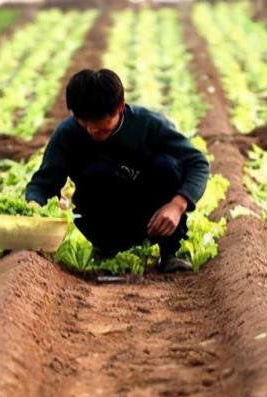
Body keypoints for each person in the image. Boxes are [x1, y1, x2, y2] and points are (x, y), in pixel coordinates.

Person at [25, 68, 211, 273]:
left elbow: (198, 164)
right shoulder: (68, 134)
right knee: (96, 172)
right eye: (84, 123)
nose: (92, 131)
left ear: (121, 107)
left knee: (167, 167)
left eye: (101, 127)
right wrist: (33, 209)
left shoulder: (148, 125)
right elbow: (43, 183)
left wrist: (177, 205)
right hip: (104, 221)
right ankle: (107, 250)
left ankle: (170, 253)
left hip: (155, 218)